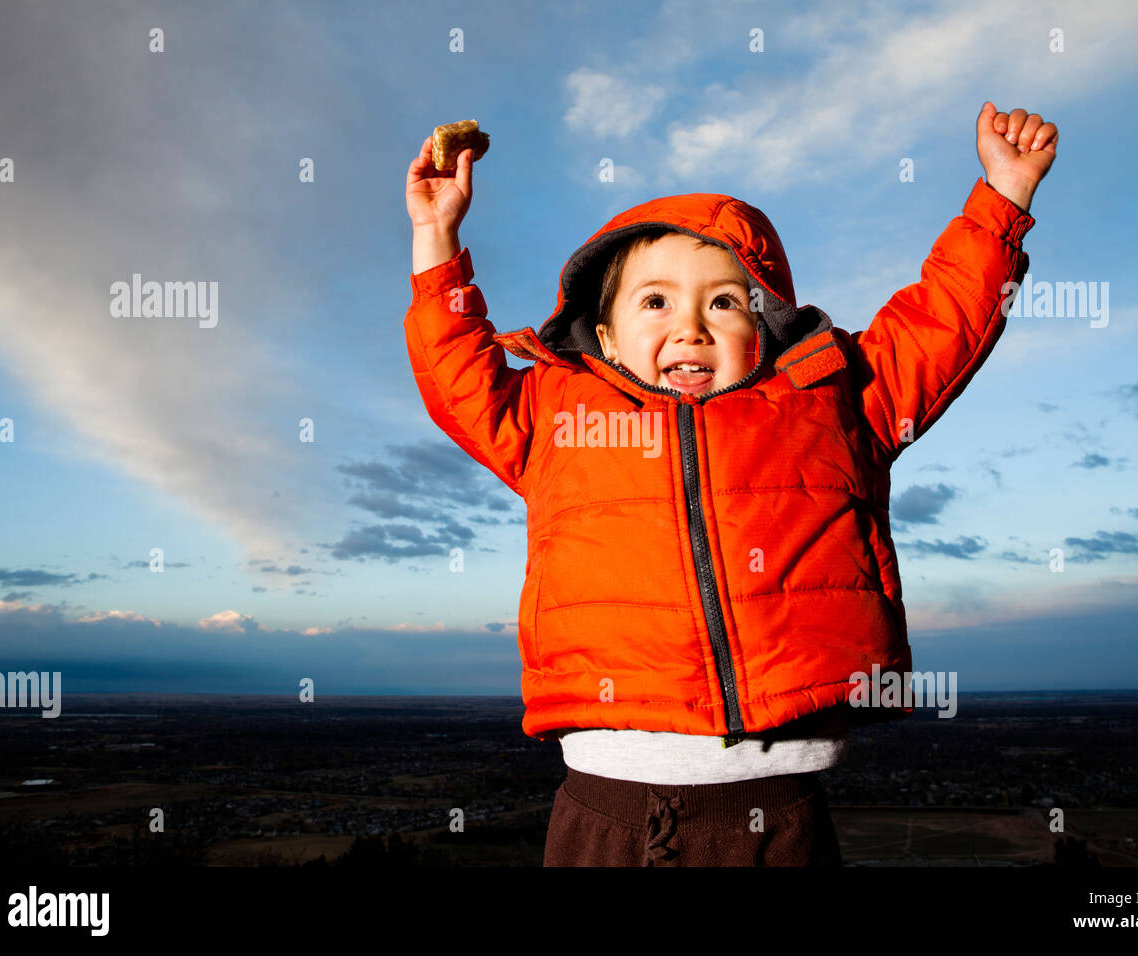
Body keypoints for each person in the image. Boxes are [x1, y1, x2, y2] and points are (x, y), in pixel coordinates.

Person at [403, 102, 1058, 866]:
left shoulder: (833, 403)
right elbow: (458, 374)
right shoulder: (556, 417)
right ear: (605, 334)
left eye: (724, 301)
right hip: (603, 807)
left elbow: (940, 325)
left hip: (776, 816)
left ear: (768, 326)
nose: (691, 327)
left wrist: (1002, 199)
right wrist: (436, 237)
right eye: (655, 302)